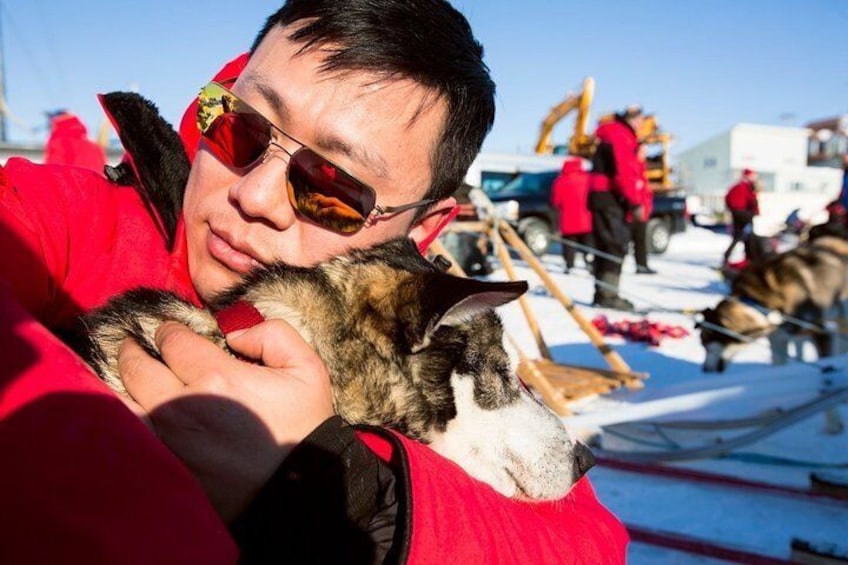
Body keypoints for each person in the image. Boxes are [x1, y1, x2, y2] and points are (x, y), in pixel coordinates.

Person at [0, 1, 628, 564]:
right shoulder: (62, 221)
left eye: (333, 188)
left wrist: (348, 494)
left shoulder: (418, 336)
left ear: (421, 227)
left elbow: (587, 545)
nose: (255, 194)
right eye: (238, 127)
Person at [588, 104, 646, 311]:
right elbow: (625, 171)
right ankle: (609, 295)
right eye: (640, 119)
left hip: (600, 195)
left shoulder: (610, 133)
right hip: (610, 196)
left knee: (604, 245)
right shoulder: (621, 135)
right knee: (615, 244)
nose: (641, 124)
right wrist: (635, 202)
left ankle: (601, 292)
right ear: (632, 119)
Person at [550, 157, 593, 273]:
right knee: (587, 242)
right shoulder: (587, 179)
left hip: (567, 219)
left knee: (569, 243)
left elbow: (556, 201)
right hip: (585, 218)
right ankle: (589, 261)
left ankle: (569, 264)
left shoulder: (560, 181)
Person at [722, 168, 760, 265]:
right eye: (753, 176)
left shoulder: (742, 186)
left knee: (742, 236)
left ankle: (747, 258)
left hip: (741, 214)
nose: (754, 178)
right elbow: (750, 200)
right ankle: (751, 258)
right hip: (743, 214)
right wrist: (752, 212)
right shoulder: (743, 186)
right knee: (747, 236)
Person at [630, 142, 656, 274]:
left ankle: (642, 264)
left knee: (640, 240)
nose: (645, 154)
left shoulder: (641, 167)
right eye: (643, 151)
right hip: (635, 211)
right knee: (635, 240)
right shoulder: (633, 166)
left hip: (642, 210)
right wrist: (637, 205)